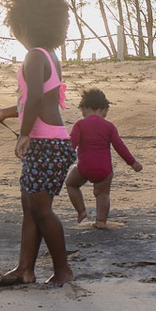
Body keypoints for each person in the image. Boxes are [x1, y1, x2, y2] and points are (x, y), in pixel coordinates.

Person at [0, 0, 76, 286]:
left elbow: (37, 99)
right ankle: (25, 268)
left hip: (46, 144)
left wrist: (24, 134)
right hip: (51, 142)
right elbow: (35, 100)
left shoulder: (35, 55)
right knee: (30, 206)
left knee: (40, 210)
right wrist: (8, 112)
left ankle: (63, 269)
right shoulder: (50, 55)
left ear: (23, 23)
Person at [64, 88, 143, 229]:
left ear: (84, 109)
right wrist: (133, 163)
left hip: (84, 167)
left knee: (71, 184)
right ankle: (101, 221)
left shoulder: (80, 124)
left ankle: (81, 211)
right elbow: (120, 147)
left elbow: (72, 144)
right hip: (104, 169)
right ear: (104, 109)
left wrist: (63, 160)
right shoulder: (109, 126)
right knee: (103, 194)